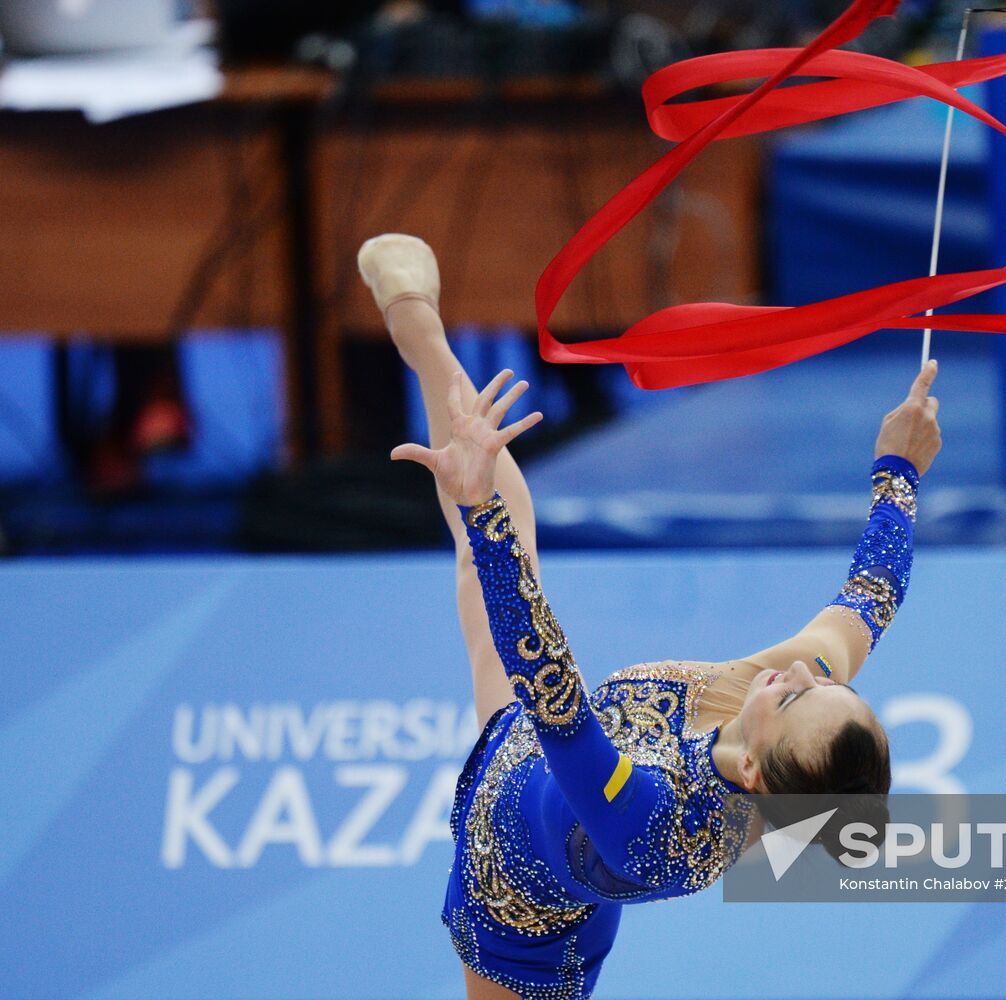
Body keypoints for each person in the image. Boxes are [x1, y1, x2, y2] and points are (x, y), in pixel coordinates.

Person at [357, 233, 941, 1000]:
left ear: (758, 770)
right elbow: (870, 598)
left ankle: (446, 406)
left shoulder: (655, 822)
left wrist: (482, 514)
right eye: (824, 683)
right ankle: (419, 330)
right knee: (489, 546)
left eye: (792, 696)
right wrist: (897, 471)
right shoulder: (778, 719)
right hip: (544, 756)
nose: (796, 671)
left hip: (522, 905)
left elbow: (551, 688)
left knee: (493, 546)